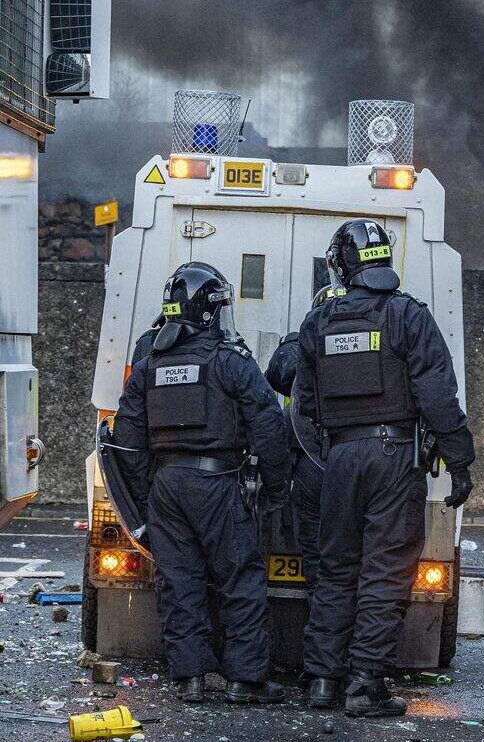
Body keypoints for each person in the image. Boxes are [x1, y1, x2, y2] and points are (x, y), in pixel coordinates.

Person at [296, 219, 476, 717]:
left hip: (339, 459)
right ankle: (365, 684)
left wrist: (333, 451)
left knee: (336, 569)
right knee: (385, 572)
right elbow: (437, 395)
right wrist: (459, 461)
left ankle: (322, 681)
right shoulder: (407, 316)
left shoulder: (318, 323)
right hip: (395, 457)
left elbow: (304, 404)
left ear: (341, 266)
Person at [107, 262, 291, 704]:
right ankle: (244, 680)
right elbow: (268, 425)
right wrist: (277, 485)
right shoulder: (231, 361)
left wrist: (147, 500)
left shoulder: (148, 367)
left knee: (179, 582)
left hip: (165, 489)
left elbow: (127, 442)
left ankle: (189, 677)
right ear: (209, 311)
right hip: (217, 484)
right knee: (239, 579)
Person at [264, 285, 341, 614]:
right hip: (359, 464)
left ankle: (323, 626)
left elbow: (276, 376)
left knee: (317, 560)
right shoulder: (378, 342)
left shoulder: (304, 349)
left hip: (312, 466)